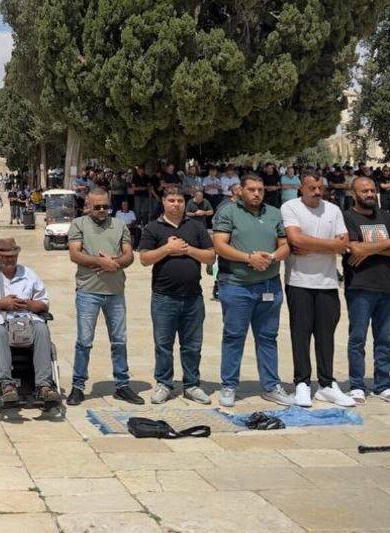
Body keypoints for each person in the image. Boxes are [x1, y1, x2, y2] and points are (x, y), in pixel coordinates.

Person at [212, 174, 293, 408]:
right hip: (236, 285)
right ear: (240, 190)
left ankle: (271, 386)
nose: (256, 193)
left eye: (260, 189)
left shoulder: (274, 213)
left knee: (268, 337)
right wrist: (249, 258)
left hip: (269, 285)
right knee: (234, 336)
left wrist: (272, 257)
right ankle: (229, 385)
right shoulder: (228, 212)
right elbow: (220, 245)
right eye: (251, 189)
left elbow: (285, 245)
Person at [281, 172, 355, 407]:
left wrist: (312, 245)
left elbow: (343, 243)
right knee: (301, 334)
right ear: (301, 189)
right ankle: (302, 382)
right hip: (299, 281)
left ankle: (327, 384)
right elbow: (295, 239)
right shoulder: (290, 207)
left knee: (326, 335)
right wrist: (330, 245)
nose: (316, 192)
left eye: (319, 188)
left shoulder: (333, 210)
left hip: (327, 282)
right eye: (311, 188)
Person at [138, 186, 215, 404]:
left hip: (193, 297)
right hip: (164, 298)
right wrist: (167, 249)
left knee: (192, 346)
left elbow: (210, 257)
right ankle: (164, 383)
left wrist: (188, 249)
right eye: (171, 200)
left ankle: (192, 385)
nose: (176, 204)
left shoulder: (196, 226)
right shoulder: (153, 228)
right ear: (163, 202)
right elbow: (144, 259)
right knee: (163, 345)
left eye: (180, 201)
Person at [66, 187, 140, 406]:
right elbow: (74, 254)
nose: (101, 210)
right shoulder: (78, 224)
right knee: (84, 341)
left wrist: (113, 263)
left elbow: (129, 256)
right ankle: (78, 386)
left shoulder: (119, 225)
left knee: (119, 340)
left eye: (105, 206)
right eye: (96, 206)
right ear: (88, 206)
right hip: (88, 291)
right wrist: (100, 262)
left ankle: (122, 385)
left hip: (115, 291)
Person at [0, 238, 59, 405]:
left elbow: (43, 304)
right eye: (5, 256)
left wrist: (27, 304)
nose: (9, 259)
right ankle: (7, 385)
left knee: (42, 329)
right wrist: (1, 304)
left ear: (17, 255)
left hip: (27, 319)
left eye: (12, 256)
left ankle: (44, 386)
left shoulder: (29, 274)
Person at [343, 176, 390, 404]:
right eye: (364, 191)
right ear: (353, 194)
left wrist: (369, 248)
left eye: (372, 190)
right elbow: (354, 249)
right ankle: (357, 385)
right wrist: (386, 243)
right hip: (360, 285)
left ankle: (383, 385)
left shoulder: (387, 216)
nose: (370, 194)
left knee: (385, 339)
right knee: (357, 338)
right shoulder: (347, 217)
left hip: (388, 285)